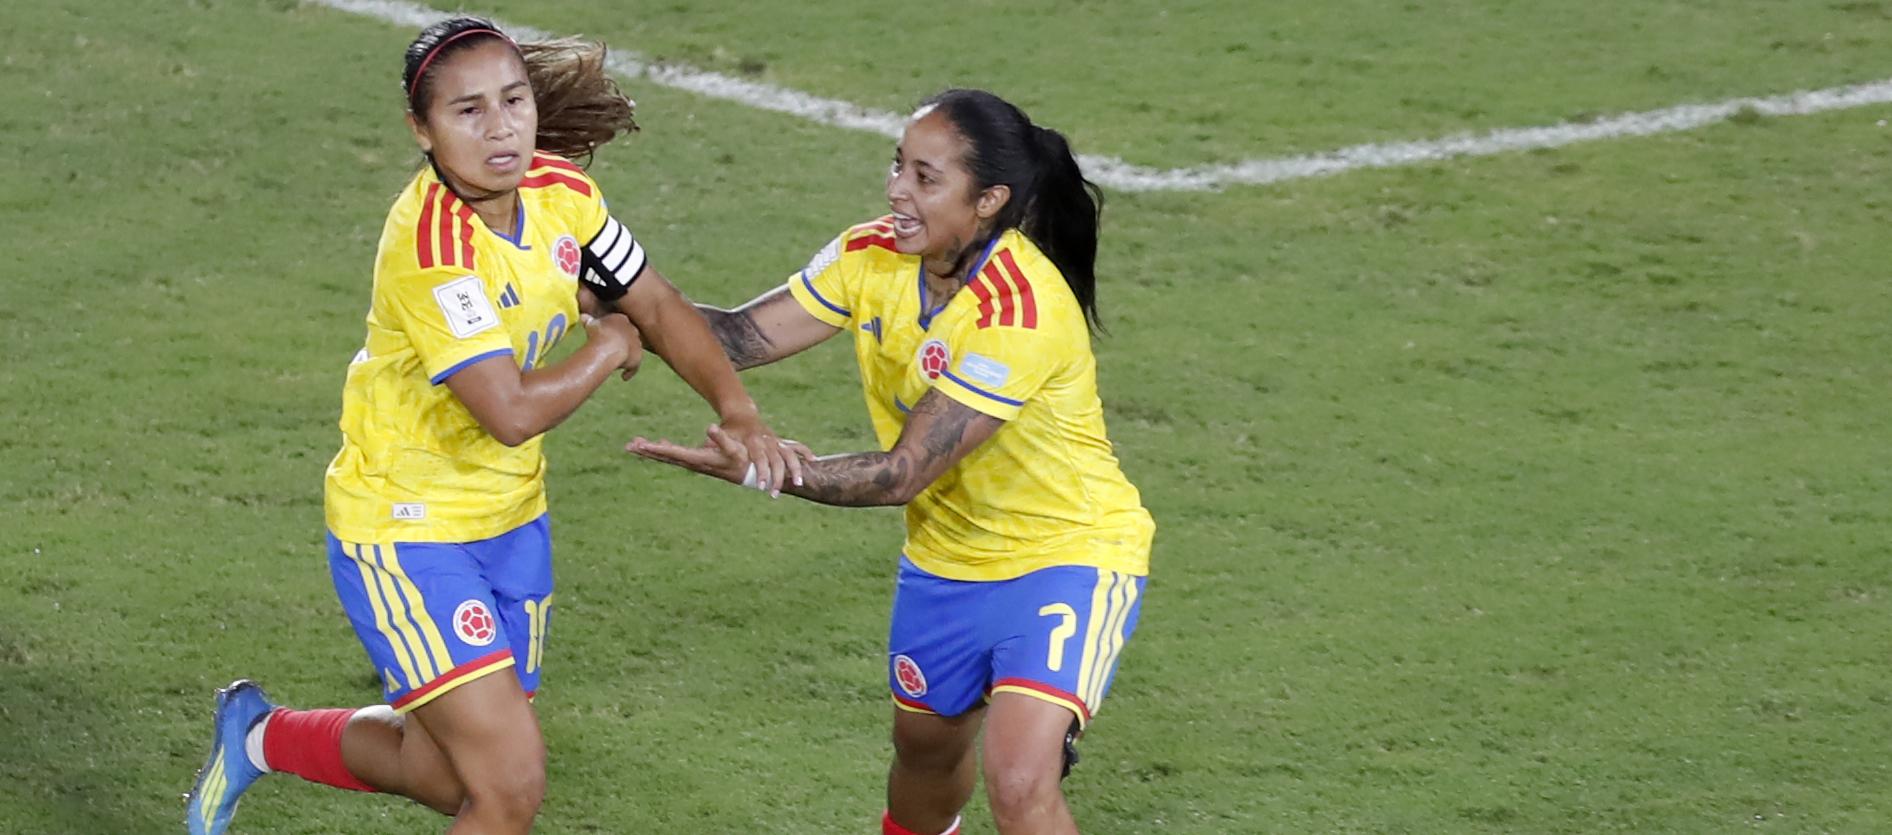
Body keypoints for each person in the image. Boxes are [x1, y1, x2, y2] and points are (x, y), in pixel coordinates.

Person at [184, 17, 797, 835]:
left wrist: (737, 407)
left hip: (511, 520)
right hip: (406, 525)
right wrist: (609, 345)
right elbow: (509, 411)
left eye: (513, 100)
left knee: (446, 773)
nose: (500, 127)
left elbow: (653, 299)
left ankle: (257, 734)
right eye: (468, 111)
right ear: (422, 129)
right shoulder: (434, 245)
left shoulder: (563, 194)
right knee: (508, 787)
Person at [629, 88, 1154, 835]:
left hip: (1066, 553)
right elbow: (740, 336)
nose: (895, 189)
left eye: (925, 177)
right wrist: (616, 295)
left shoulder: (1017, 311)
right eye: (897, 165)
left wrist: (766, 467)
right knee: (924, 752)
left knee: (1018, 777)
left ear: (988, 200)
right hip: (946, 562)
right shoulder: (871, 253)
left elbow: (905, 472)